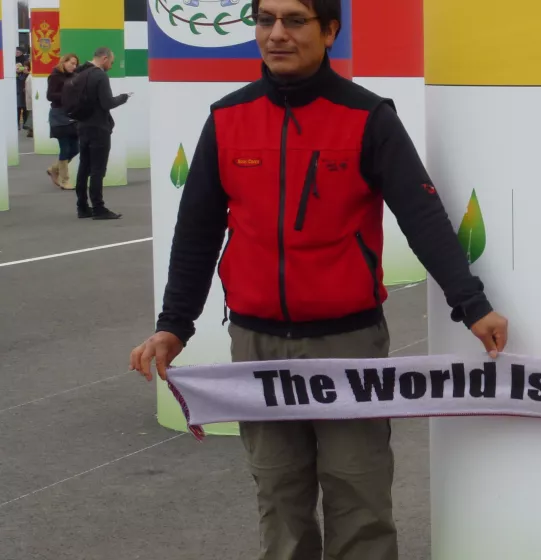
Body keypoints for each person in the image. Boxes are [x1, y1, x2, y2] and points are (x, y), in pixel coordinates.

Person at [128, 0, 510, 558]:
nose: (277, 34)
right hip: (257, 346)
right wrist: (173, 326)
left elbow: (422, 216)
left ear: (330, 30)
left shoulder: (368, 116)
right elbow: (196, 234)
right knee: (280, 498)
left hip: (347, 344)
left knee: (359, 496)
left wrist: (471, 305)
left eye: (295, 20)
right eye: (266, 21)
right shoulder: (227, 118)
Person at [72, 47, 129, 220]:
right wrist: (123, 97)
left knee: (84, 167)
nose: (111, 65)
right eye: (111, 61)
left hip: (82, 125)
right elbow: (107, 103)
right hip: (99, 127)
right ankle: (98, 207)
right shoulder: (100, 76)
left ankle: (82, 206)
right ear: (104, 58)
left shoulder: (80, 73)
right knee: (98, 170)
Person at [46, 53, 80, 189]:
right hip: (58, 114)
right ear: (64, 62)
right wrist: (67, 96)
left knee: (75, 148)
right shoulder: (55, 76)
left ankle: (54, 169)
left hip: (72, 114)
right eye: (71, 63)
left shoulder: (75, 76)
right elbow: (50, 95)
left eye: (75, 64)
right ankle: (65, 180)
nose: (74, 66)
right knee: (65, 147)